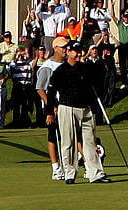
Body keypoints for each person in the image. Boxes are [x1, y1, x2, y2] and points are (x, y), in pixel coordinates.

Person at [47, 42, 111, 184]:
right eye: (75, 51)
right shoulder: (60, 71)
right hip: (67, 107)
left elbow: (99, 79)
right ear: (68, 52)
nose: (79, 54)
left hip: (86, 108)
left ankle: (96, 174)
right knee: (68, 142)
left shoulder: (86, 68)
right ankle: (70, 173)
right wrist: (50, 111)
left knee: (90, 141)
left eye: (80, 51)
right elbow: (51, 92)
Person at [35, 36, 69, 180]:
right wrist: (52, 106)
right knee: (53, 137)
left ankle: (71, 165)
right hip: (52, 108)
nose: (65, 50)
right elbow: (40, 89)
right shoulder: (47, 67)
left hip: (67, 105)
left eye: (66, 47)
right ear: (55, 48)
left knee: (70, 136)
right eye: (62, 47)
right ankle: (56, 168)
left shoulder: (68, 65)